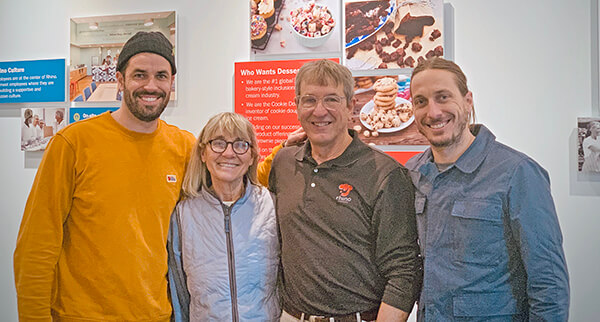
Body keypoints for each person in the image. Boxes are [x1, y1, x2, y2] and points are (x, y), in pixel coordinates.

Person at [14, 31, 196, 321]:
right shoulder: (73, 143)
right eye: (139, 75)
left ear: (171, 82)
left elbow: (233, 186)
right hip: (80, 315)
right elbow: (37, 245)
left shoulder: (185, 147)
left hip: (156, 315)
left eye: (161, 75)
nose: (151, 85)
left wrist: (289, 150)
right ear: (120, 80)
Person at [406, 57, 569, 321]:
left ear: (467, 101)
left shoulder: (517, 173)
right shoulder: (413, 172)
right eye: (420, 101)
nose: (433, 112)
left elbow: (548, 281)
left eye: (443, 97)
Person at [269, 59, 422, 322]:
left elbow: (404, 268)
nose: (319, 111)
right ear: (296, 106)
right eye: (309, 100)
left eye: (331, 100)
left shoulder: (386, 174)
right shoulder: (283, 163)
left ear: (351, 106)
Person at [168, 112, 279, 321]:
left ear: (252, 155)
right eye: (218, 143)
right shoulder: (184, 214)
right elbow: (179, 291)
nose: (229, 153)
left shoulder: (271, 206)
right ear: (203, 153)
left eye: (240, 144)